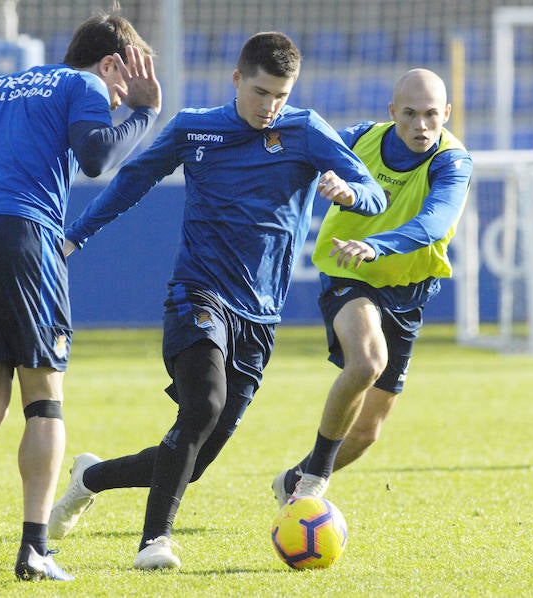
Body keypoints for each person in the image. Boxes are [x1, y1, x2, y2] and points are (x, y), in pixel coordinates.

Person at [47, 31, 387, 570]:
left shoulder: (305, 131)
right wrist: (74, 236)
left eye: (281, 95)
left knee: (192, 459)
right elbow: (131, 181)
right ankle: (154, 542)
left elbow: (374, 191)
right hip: (197, 292)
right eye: (260, 93)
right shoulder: (193, 127)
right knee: (200, 406)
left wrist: (351, 195)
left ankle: (90, 477)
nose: (270, 107)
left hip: (259, 316)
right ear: (236, 80)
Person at [0, 10, 162, 584]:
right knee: (44, 400)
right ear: (111, 61)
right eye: (124, 81)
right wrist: (145, 113)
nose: (118, 98)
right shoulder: (86, 83)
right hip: (24, 235)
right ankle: (35, 550)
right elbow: (96, 158)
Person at [271, 68, 473, 507]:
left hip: (406, 286)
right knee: (366, 363)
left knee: (365, 433)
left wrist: (376, 245)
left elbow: (434, 223)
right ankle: (313, 483)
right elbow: (295, 153)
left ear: (447, 113)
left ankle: (295, 478)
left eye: (432, 115)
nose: (421, 126)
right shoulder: (358, 139)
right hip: (350, 270)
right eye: (410, 114)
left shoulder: (453, 161)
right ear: (391, 112)